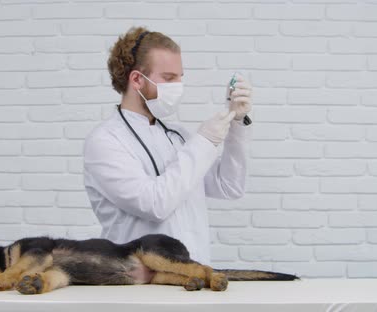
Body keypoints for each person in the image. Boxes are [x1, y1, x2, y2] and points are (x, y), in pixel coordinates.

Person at [83, 27, 252, 265]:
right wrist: (204, 142)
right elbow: (154, 204)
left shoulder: (177, 135)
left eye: (180, 77)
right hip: (140, 281)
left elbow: (229, 187)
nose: (179, 86)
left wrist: (236, 123)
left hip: (194, 274)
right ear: (137, 79)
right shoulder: (105, 141)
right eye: (170, 78)